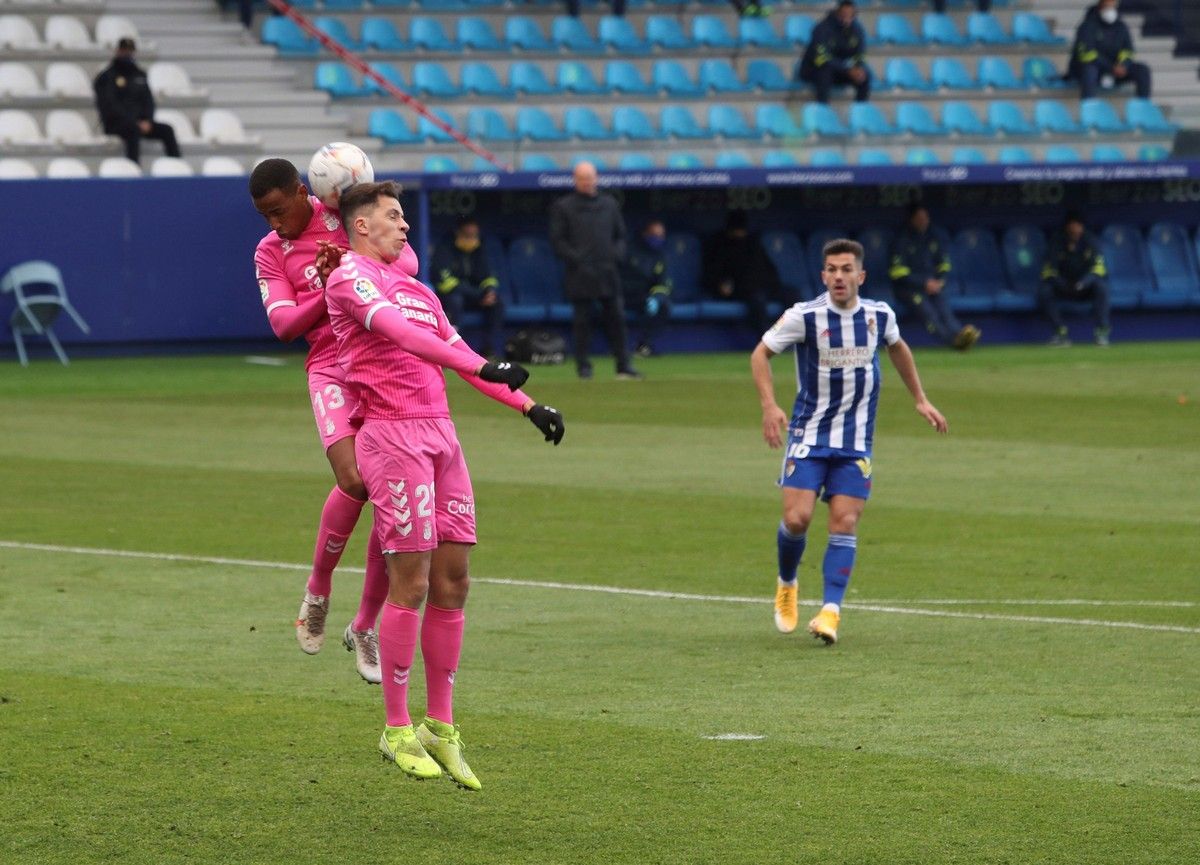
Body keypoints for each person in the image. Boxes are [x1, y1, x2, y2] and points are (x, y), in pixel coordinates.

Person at [324, 180, 564, 788]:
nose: (405, 227)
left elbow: (454, 350)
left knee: (454, 580)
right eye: (393, 217)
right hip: (391, 437)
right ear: (360, 226)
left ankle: (440, 725)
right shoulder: (349, 278)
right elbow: (405, 340)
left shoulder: (418, 290)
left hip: (442, 439)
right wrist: (482, 365)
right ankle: (396, 727)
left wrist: (529, 405)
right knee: (412, 578)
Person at [252, 157, 427, 683]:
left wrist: (350, 261)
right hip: (329, 367)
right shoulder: (269, 252)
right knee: (352, 478)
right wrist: (326, 286)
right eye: (265, 216)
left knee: (385, 491)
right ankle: (319, 589)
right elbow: (283, 325)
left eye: (279, 211)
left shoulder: (341, 215)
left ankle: (366, 623)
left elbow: (409, 263)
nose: (275, 224)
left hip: (377, 365)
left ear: (303, 192)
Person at [751, 238, 947, 645]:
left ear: (861, 275)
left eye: (846, 269)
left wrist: (920, 399)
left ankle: (830, 613)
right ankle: (787, 582)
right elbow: (760, 355)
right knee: (796, 519)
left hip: (855, 441)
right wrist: (770, 406)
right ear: (823, 275)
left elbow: (898, 348)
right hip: (808, 435)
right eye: (831, 269)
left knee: (846, 521)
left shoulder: (879, 315)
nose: (838, 276)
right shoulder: (804, 317)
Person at [549, 161, 641, 380]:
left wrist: (615, 255)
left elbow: (620, 236)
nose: (588, 182)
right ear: (575, 180)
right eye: (583, 178)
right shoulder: (563, 207)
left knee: (617, 319)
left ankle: (623, 365)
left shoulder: (609, 204)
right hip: (580, 274)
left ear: (596, 178)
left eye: (590, 178)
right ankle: (583, 367)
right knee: (582, 322)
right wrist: (577, 259)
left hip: (608, 271)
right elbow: (558, 241)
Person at [888, 204, 980, 350]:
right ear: (911, 219)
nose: (923, 221)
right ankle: (953, 341)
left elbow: (943, 264)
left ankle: (960, 334)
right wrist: (924, 283)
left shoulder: (933, 237)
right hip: (908, 290)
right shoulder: (902, 239)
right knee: (929, 313)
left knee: (945, 311)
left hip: (933, 286)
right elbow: (897, 273)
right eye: (919, 218)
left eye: (925, 218)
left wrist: (939, 281)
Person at [702, 209, 790, 337]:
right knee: (758, 301)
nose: (740, 234)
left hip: (765, 286)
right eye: (737, 230)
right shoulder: (720, 246)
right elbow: (714, 275)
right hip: (743, 290)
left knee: (792, 296)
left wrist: (773, 284)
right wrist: (721, 284)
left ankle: (795, 336)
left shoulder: (753, 243)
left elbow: (770, 270)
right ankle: (767, 341)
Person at [93, 38, 181, 165]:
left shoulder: (139, 74)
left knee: (167, 130)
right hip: (116, 124)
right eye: (124, 50)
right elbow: (110, 105)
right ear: (118, 51)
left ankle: (177, 167)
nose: (127, 53)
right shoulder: (107, 77)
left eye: (130, 51)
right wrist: (134, 122)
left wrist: (148, 120)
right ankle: (134, 170)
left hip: (141, 123)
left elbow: (148, 101)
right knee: (132, 131)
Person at [429, 217, 505, 358]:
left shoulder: (479, 249)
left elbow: (488, 276)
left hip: (474, 296)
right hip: (449, 296)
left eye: (474, 235)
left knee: (496, 302)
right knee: (456, 300)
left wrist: (489, 292)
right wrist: (479, 295)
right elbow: (447, 284)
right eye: (467, 235)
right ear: (458, 233)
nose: (471, 238)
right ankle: (455, 350)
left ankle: (489, 349)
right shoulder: (444, 248)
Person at [1039, 213, 1111, 347]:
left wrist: (1084, 282)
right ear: (1067, 227)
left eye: (1078, 226)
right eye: (1072, 226)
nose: (1075, 230)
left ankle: (1102, 332)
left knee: (1101, 287)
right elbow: (1048, 271)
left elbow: (1099, 269)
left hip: (1084, 287)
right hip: (1063, 286)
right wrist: (1061, 283)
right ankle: (1060, 332)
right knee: (1044, 290)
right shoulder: (1057, 242)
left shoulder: (1090, 241)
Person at [1068, 0, 1152, 99]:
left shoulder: (1121, 27)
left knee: (1142, 70)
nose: (1110, 11)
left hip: (1116, 70)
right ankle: (1089, 106)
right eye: (1107, 7)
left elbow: (1128, 51)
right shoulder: (1087, 26)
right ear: (1100, 8)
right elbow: (1087, 54)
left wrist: (1123, 65)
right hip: (1095, 69)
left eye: (1113, 7)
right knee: (1090, 70)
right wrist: (1110, 67)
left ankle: (1142, 107)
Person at [797, 1, 870, 104]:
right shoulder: (822, 29)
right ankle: (822, 109)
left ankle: (860, 111)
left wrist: (858, 67)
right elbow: (821, 58)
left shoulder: (857, 29)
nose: (847, 19)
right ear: (837, 13)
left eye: (851, 15)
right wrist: (847, 69)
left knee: (864, 75)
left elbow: (860, 53)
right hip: (814, 69)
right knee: (825, 73)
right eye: (844, 15)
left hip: (841, 70)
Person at [619, 219, 673, 358]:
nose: (658, 239)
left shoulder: (659, 256)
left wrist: (657, 298)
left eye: (661, 235)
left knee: (663, 306)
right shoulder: (627, 250)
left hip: (643, 297)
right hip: (621, 294)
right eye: (654, 235)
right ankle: (617, 348)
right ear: (645, 234)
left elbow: (661, 282)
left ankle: (644, 345)